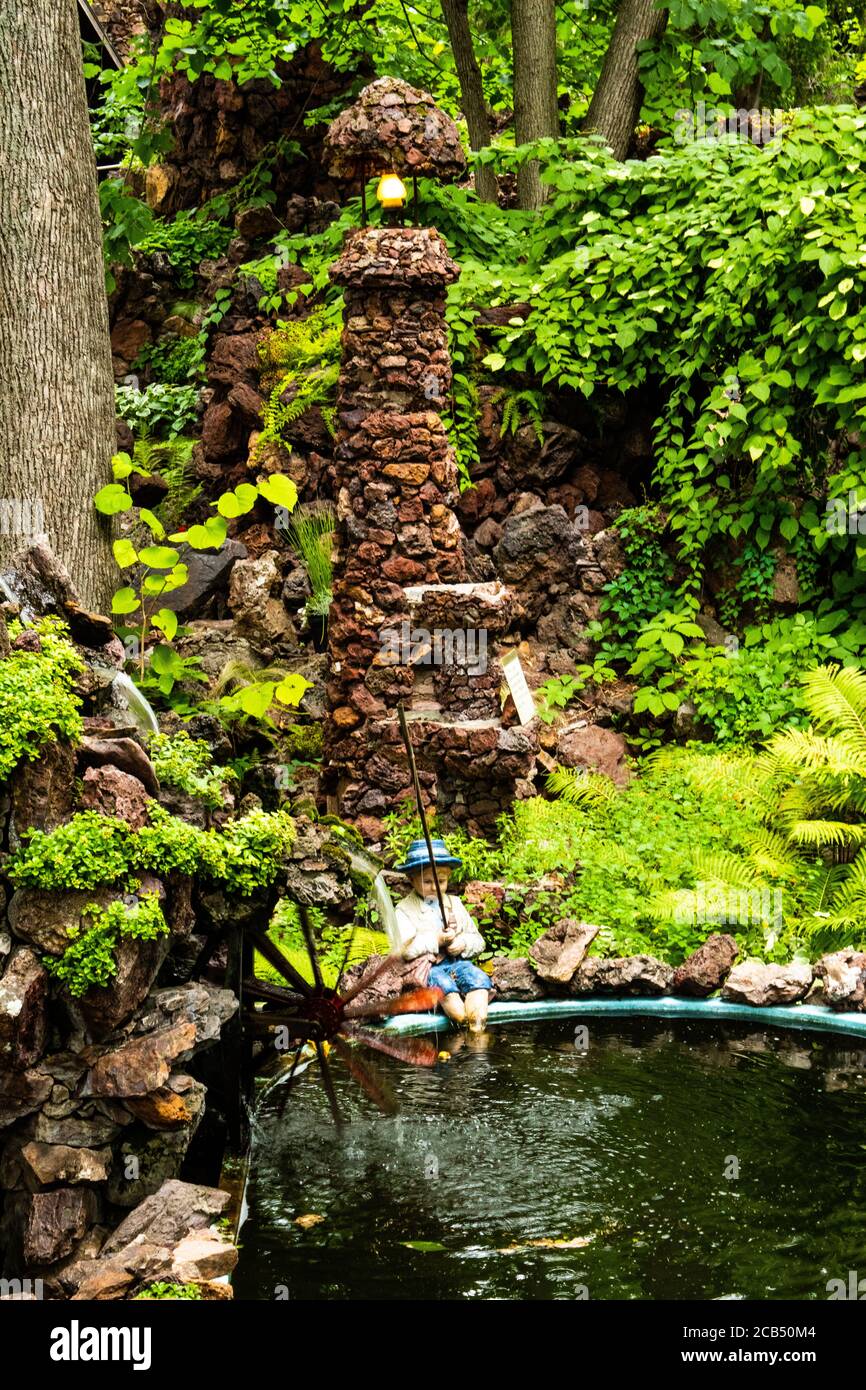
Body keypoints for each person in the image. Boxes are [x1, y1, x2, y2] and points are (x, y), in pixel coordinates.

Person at [394, 838, 492, 1033]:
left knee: (477, 979)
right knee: (444, 987)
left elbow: (478, 941)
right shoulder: (404, 910)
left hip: (458, 963)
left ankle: (477, 1030)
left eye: (441, 881)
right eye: (428, 881)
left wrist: (462, 943)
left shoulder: (454, 904)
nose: (435, 887)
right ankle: (461, 1021)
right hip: (430, 969)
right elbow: (405, 950)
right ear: (412, 880)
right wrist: (435, 940)